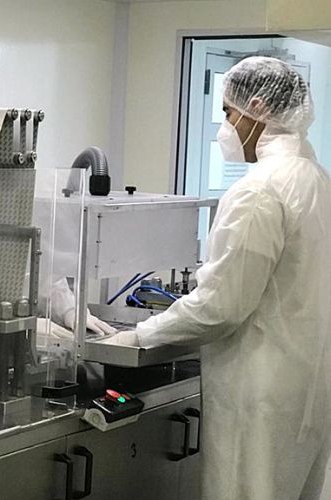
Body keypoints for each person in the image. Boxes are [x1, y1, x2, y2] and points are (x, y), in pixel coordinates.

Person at [108, 56, 331, 500]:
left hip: (259, 393)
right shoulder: (315, 178)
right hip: (306, 387)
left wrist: (137, 337)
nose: (225, 126)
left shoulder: (259, 190)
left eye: (228, 112)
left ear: (256, 107)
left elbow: (219, 308)